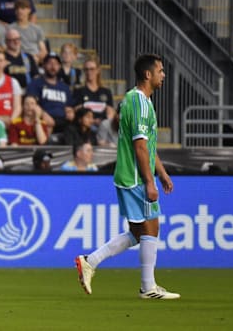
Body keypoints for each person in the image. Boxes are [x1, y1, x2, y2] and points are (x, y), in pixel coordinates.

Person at [75, 54, 179, 300]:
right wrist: (150, 181)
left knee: (138, 231)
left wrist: (161, 172)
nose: (163, 75)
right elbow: (140, 147)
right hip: (134, 178)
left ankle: (90, 261)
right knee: (151, 228)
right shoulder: (140, 103)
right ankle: (148, 287)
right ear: (148, 74)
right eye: (161, 71)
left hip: (130, 176)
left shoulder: (136, 100)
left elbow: (148, 145)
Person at [26, 52, 73, 134]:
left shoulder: (65, 87)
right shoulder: (35, 84)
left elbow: (69, 106)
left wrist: (70, 112)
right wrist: (43, 114)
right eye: (50, 63)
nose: (53, 66)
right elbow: (31, 104)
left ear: (59, 66)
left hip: (63, 122)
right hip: (43, 120)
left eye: (56, 64)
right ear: (44, 65)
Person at [73, 54, 115, 127]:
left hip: (103, 126)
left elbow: (110, 112)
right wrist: (93, 121)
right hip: (86, 127)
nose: (89, 72)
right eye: (86, 69)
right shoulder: (79, 91)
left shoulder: (106, 91)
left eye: (92, 69)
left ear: (98, 70)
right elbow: (77, 111)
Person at [9, 0, 47, 64]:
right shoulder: (10, 29)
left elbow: (43, 50)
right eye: (17, 9)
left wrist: (37, 58)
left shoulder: (37, 29)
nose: (20, 11)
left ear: (29, 10)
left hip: (36, 59)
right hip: (18, 60)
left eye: (23, 8)